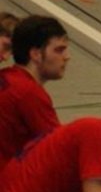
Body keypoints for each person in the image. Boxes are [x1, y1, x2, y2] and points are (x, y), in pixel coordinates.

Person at [0, 15, 69, 171]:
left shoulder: (6, 77)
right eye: (59, 50)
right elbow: (61, 151)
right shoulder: (29, 93)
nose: (66, 57)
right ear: (36, 54)